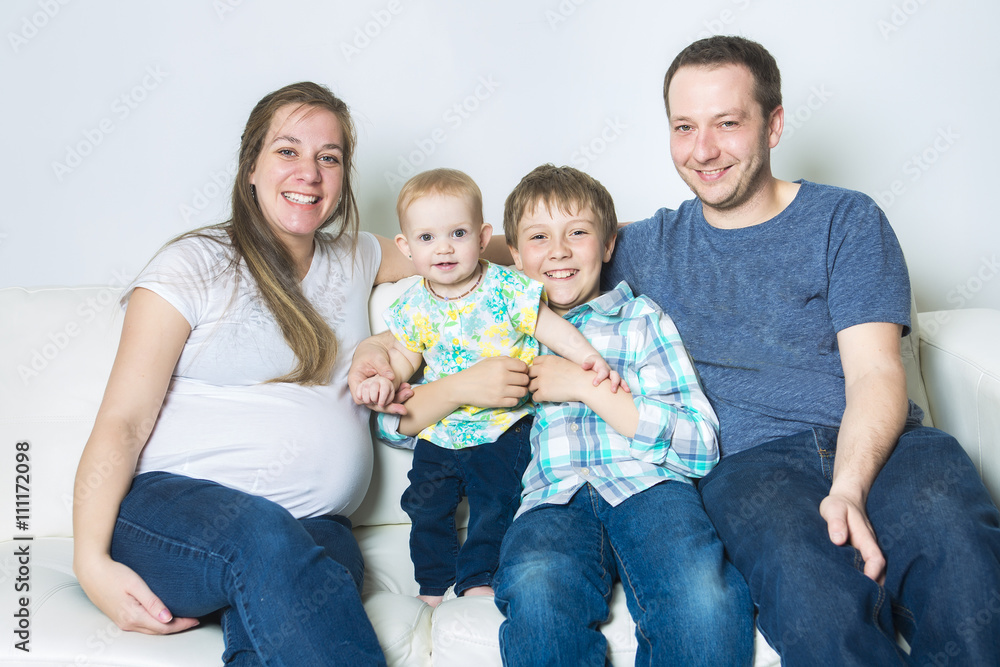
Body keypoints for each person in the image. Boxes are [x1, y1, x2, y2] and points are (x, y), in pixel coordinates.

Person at [601, 36, 1000, 665]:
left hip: (883, 442)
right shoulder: (650, 245)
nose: (703, 150)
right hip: (752, 470)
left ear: (774, 124)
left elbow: (874, 370)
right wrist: (390, 258)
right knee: (813, 605)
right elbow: (528, 243)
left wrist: (848, 487)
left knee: (964, 559)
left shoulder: (846, 219)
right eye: (685, 127)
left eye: (727, 123)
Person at [72, 81, 415, 666]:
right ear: (250, 167)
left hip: (314, 527)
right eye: (287, 151)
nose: (309, 172)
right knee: (262, 536)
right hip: (171, 519)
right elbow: (123, 423)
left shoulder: (357, 256)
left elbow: (460, 247)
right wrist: (90, 563)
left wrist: (575, 247)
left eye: (328, 158)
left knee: (281, 618)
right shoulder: (193, 266)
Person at [490, 164, 752, 666]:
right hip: (554, 498)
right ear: (516, 255)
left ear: (609, 244)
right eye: (539, 237)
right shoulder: (500, 330)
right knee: (538, 598)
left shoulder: (641, 319)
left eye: (578, 233)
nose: (560, 250)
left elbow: (700, 446)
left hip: (650, 490)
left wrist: (587, 388)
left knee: (703, 601)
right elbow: (412, 432)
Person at [355, 167, 621, 607]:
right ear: (405, 247)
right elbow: (406, 355)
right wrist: (387, 377)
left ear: (482, 238)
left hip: (504, 426)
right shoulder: (413, 305)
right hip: (441, 429)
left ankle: (479, 576)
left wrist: (586, 356)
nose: (443, 248)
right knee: (424, 506)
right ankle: (434, 583)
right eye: (426, 239)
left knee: (495, 503)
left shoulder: (505, 287)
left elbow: (548, 327)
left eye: (457, 233)